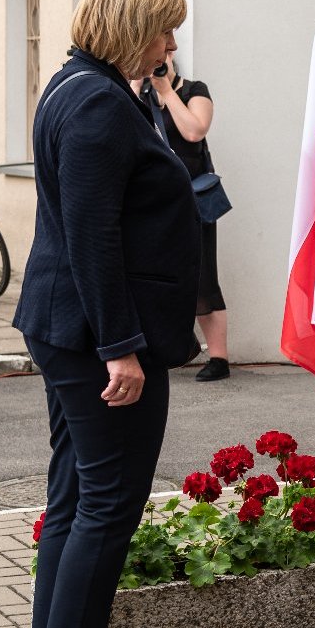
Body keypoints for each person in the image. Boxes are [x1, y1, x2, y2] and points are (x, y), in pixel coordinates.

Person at [13, 0, 199, 628]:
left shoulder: (80, 83)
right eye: (164, 24)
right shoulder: (94, 102)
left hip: (74, 326)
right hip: (98, 336)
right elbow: (92, 236)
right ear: (132, 24)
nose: (172, 39)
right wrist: (121, 346)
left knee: (76, 497)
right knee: (108, 504)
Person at [131, 51, 228, 382]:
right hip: (154, 202)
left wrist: (166, 90)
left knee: (202, 276)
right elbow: (124, 124)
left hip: (193, 201)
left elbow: (194, 132)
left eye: (166, 56)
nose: (161, 61)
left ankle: (218, 358)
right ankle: (161, 349)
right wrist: (136, 82)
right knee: (155, 275)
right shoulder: (139, 94)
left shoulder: (193, 91)